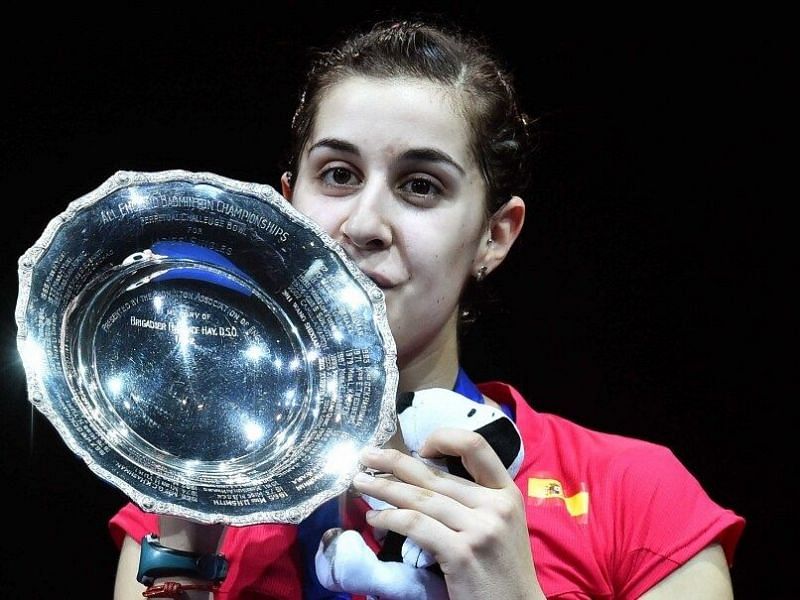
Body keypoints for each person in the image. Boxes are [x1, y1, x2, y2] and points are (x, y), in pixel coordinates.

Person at [110, 18, 745, 599]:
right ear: (287, 207)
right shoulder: (187, 494)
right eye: (337, 174)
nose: (363, 224)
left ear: (494, 236)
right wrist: (186, 563)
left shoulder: (638, 497)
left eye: (421, 186)